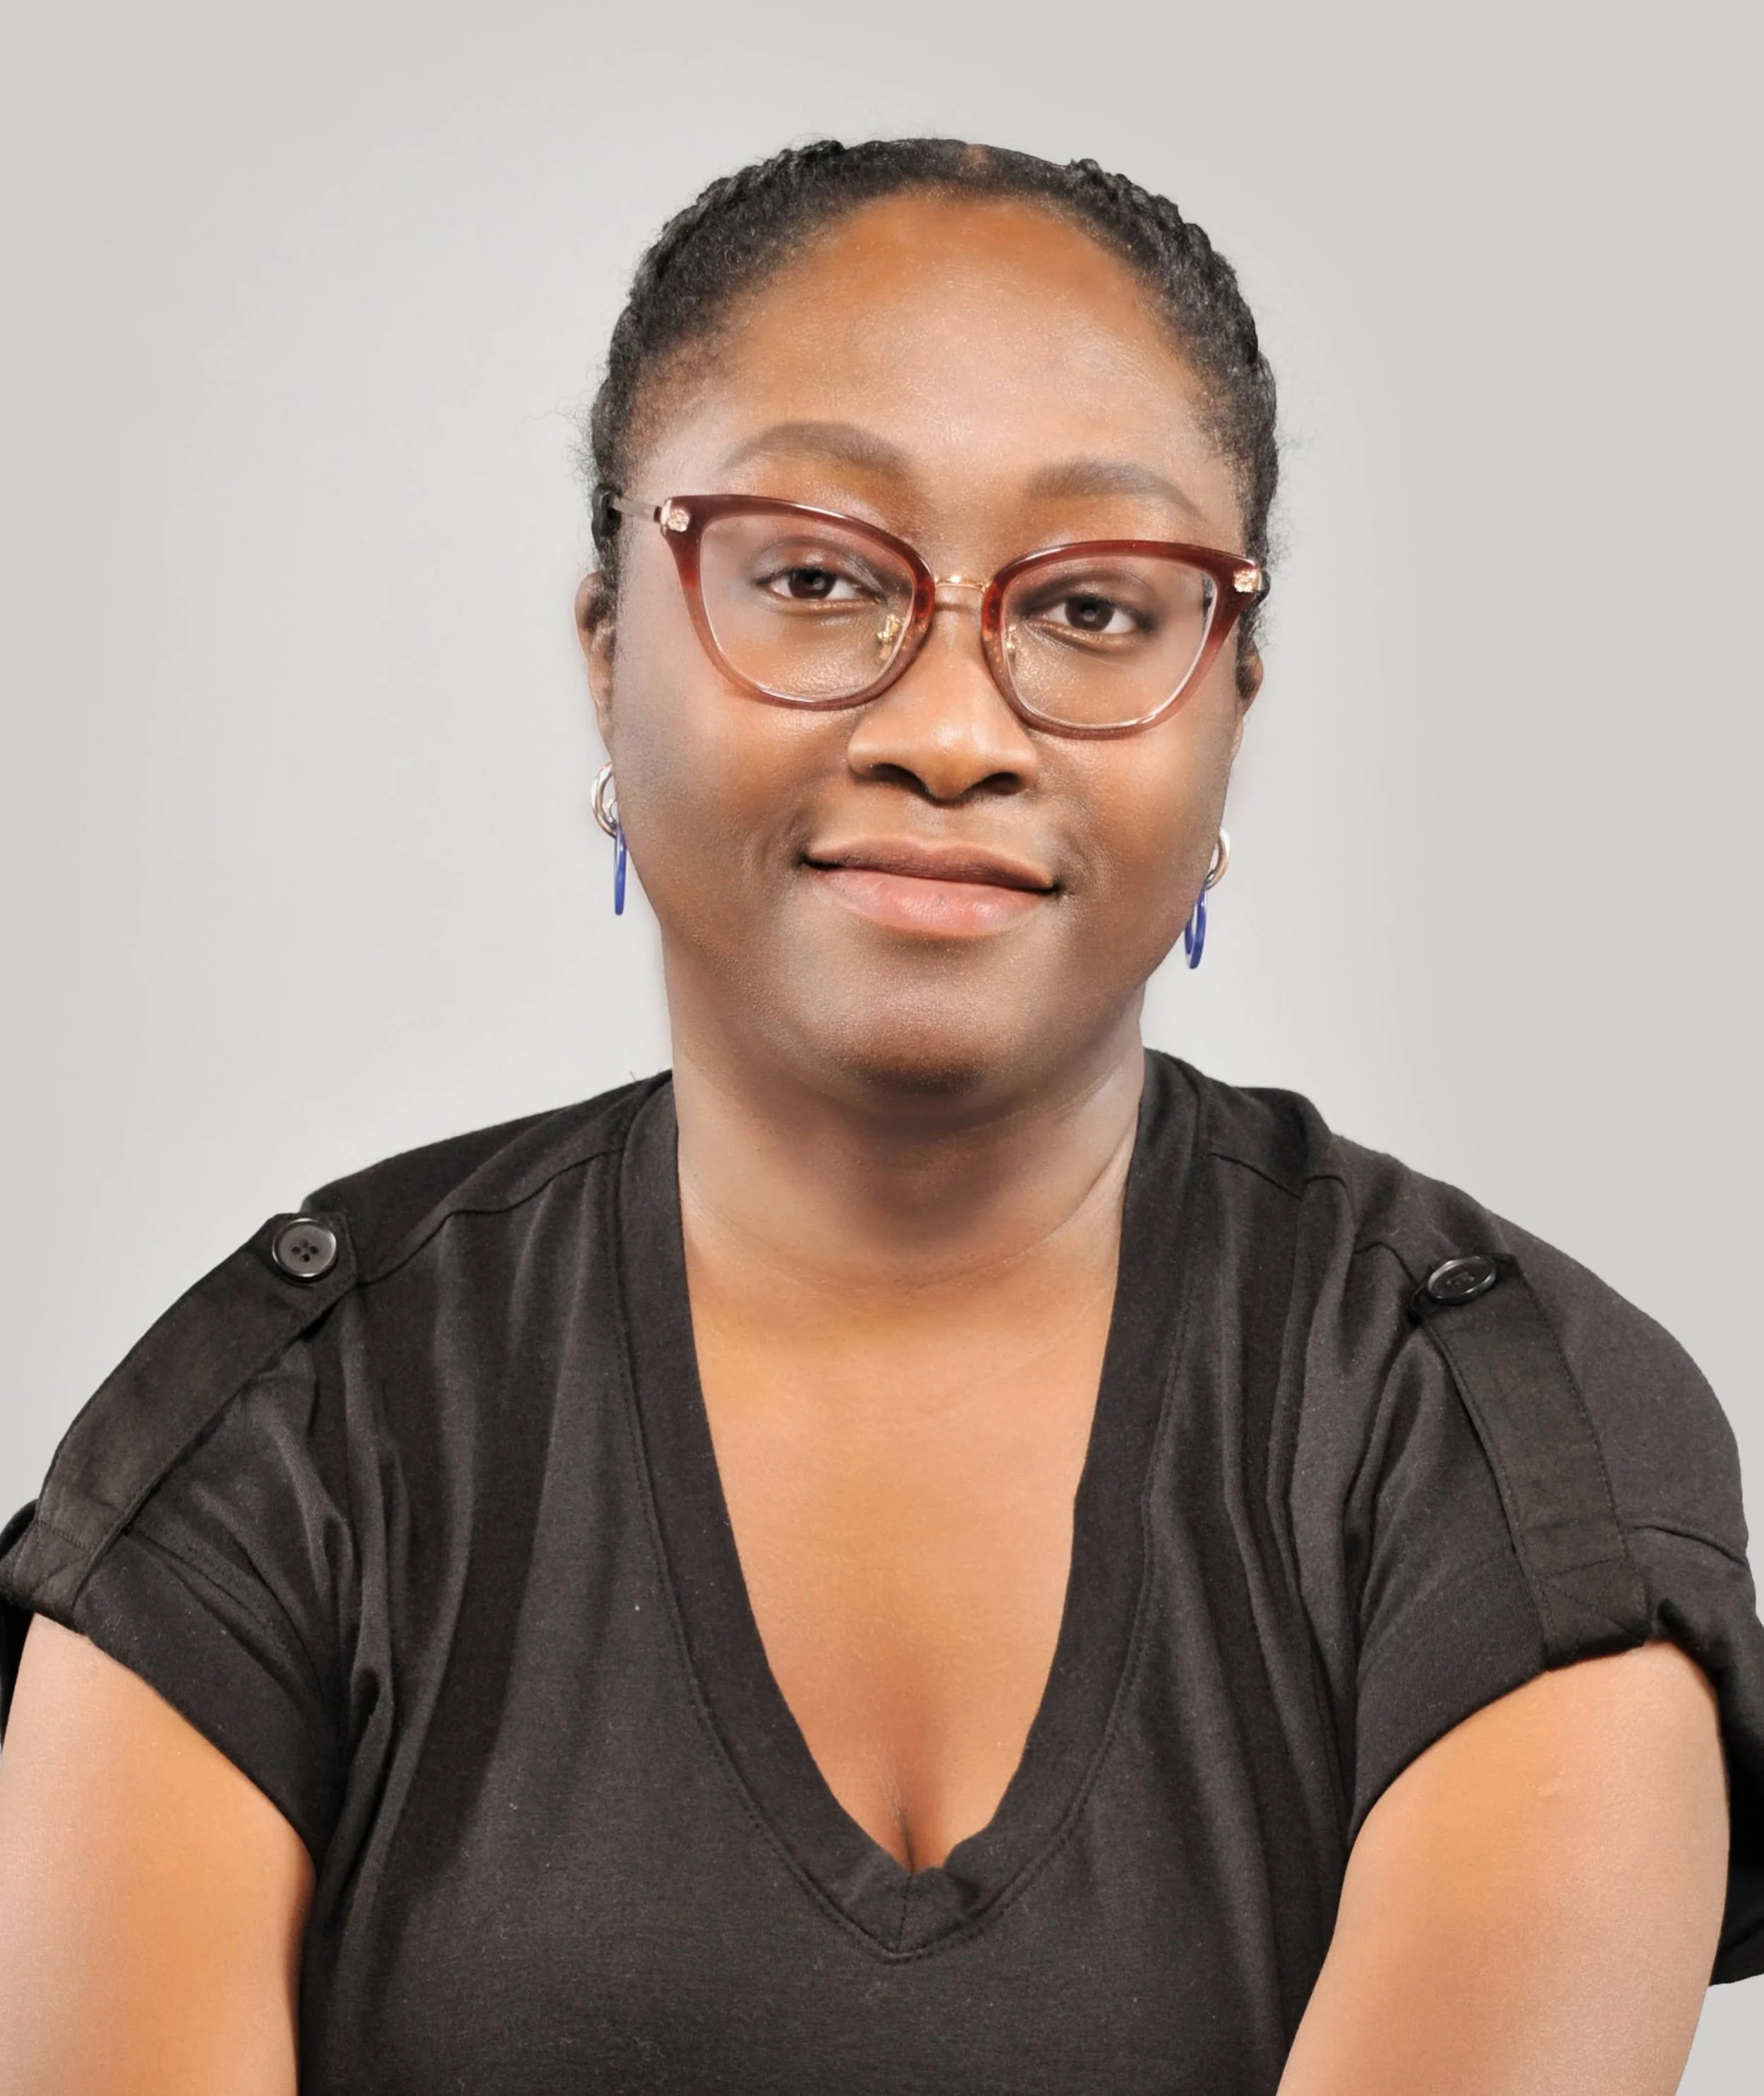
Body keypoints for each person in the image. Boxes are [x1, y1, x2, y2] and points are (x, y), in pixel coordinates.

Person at [0, 136, 1759, 2096]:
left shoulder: (1500, 1435)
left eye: (1094, 607)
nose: (949, 730)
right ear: (607, 652)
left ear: (1231, 702)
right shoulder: (278, 1441)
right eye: (818, 579)